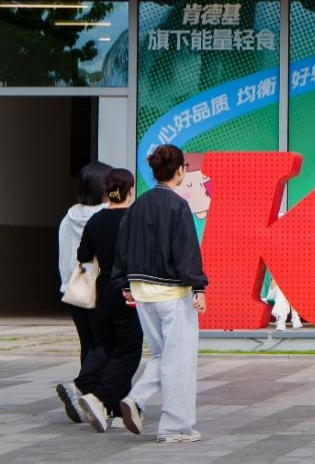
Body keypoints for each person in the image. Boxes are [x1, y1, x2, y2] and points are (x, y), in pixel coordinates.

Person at [111, 145, 208, 443]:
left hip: (142, 293)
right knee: (179, 360)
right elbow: (186, 249)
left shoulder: (137, 205)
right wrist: (198, 286)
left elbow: (123, 246)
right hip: (172, 293)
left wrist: (124, 284)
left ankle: (137, 399)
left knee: (163, 354)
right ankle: (173, 426)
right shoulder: (177, 205)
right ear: (179, 170)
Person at [73, 168, 144, 432]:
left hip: (102, 291)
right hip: (128, 289)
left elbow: (83, 254)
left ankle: (113, 411)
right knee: (130, 350)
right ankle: (99, 397)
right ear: (130, 190)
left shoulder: (95, 220)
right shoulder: (135, 219)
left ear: (107, 190)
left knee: (113, 349)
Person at [55, 161, 110, 424]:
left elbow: (65, 256)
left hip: (74, 289)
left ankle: (86, 401)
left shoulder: (69, 218)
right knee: (108, 345)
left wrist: (67, 283)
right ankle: (83, 390)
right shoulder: (106, 216)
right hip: (100, 288)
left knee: (88, 345)